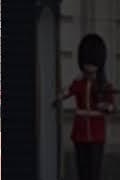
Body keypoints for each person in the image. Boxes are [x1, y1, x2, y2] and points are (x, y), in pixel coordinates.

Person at [52, 34, 115, 180]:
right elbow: (67, 92)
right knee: (82, 170)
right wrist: (57, 98)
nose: (89, 66)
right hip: (80, 134)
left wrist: (105, 106)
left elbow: (111, 107)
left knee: (94, 171)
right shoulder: (79, 83)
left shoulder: (104, 85)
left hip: (96, 134)